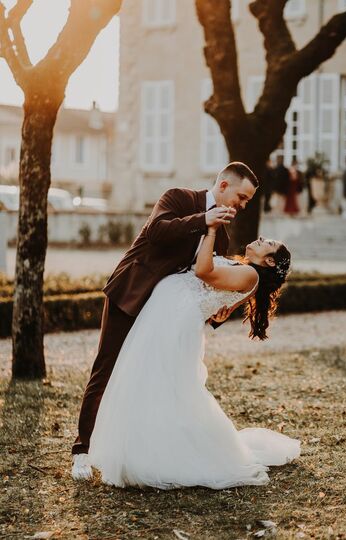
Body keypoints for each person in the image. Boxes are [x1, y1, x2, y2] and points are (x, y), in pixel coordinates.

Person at [72, 162, 258, 480]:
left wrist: (219, 314)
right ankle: (81, 453)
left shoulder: (222, 239)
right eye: (241, 197)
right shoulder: (178, 197)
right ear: (223, 186)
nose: (241, 207)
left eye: (246, 203)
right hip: (129, 295)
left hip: (161, 316)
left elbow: (204, 285)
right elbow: (157, 232)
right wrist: (204, 219)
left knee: (146, 379)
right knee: (106, 370)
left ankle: (133, 450)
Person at [88, 231, 300, 489]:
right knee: (158, 385)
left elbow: (203, 271)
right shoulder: (245, 270)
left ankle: (158, 456)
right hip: (172, 312)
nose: (262, 238)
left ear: (269, 261)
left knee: (162, 385)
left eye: (269, 243)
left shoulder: (251, 275)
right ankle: (149, 448)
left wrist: (209, 229)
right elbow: (216, 304)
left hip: (176, 318)